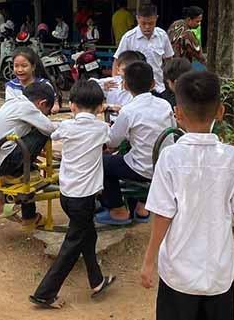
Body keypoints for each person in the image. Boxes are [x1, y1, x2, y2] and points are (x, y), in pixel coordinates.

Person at [140, 70, 234, 320]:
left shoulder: (170, 157)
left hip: (178, 272)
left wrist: (149, 260)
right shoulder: (233, 159)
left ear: (178, 114)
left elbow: (163, 215)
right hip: (218, 272)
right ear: (220, 111)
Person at [29, 80, 116, 309]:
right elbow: (113, 142)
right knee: (72, 245)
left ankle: (96, 281)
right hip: (84, 198)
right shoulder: (102, 129)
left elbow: (52, 133)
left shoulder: (67, 127)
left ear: (72, 105)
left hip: (66, 195)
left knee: (88, 235)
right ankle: (44, 293)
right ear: (100, 107)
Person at [95, 62, 176, 225]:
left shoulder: (129, 110)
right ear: (153, 83)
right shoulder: (164, 104)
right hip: (164, 164)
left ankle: (118, 210)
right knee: (136, 154)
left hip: (142, 168)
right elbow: (172, 130)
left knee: (101, 163)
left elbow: (112, 141)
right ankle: (142, 208)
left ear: (124, 85)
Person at [0, 82, 58, 230]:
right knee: (42, 133)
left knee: (30, 170)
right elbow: (50, 129)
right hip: (3, 163)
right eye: (45, 112)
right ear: (42, 103)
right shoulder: (28, 107)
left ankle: (29, 216)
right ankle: (16, 173)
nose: (43, 115)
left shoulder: (13, 101)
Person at [114, 3, 174, 94]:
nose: (147, 27)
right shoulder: (128, 38)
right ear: (138, 18)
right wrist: (117, 86)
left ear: (156, 18)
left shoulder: (162, 35)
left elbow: (169, 60)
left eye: (151, 23)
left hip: (159, 88)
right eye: (143, 23)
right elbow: (117, 62)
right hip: (135, 90)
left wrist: (170, 82)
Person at [93, 50, 145, 122]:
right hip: (109, 121)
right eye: (124, 70)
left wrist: (111, 107)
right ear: (118, 70)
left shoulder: (140, 88)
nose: (127, 74)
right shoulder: (112, 82)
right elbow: (88, 85)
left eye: (131, 70)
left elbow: (136, 111)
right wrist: (100, 86)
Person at [5, 47, 60, 113]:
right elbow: (10, 106)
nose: (20, 70)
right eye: (16, 66)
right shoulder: (11, 86)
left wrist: (55, 105)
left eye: (24, 66)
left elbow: (53, 100)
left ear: (33, 67)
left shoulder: (44, 85)